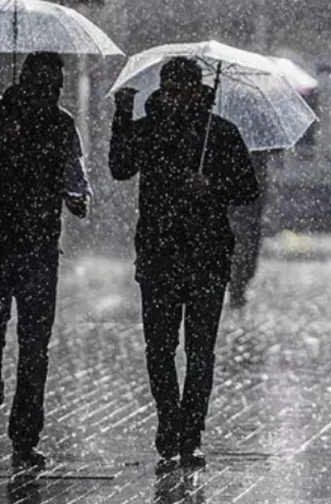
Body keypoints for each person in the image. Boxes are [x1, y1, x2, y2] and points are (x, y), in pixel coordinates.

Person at [109, 58, 259, 470]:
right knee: (159, 348)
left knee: (200, 351)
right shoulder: (149, 128)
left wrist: (211, 185)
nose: (174, 99)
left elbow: (247, 188)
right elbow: (120, 167)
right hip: (159, 253)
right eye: (169, 90)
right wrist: (122, 116)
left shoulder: (221, 133)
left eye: (182, 90)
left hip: (207, 255)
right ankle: (168, 420)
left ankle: (191, 433)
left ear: (198, 91)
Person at [0, 52, 90, 471]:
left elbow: (75, 180)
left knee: (35, 347)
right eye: (42, 84)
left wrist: (77, 200)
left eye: (55, 87)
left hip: (40, 250)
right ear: (22, 80)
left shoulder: (61, 125)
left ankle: (25, 436)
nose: (49, 94)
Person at [228, 150, 271, 308]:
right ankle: (236, 286)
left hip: (250, 214)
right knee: (242, 252)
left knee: (248, 254)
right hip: (238, 213)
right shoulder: (231, 153)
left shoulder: (259, 156)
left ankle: (238, 285)